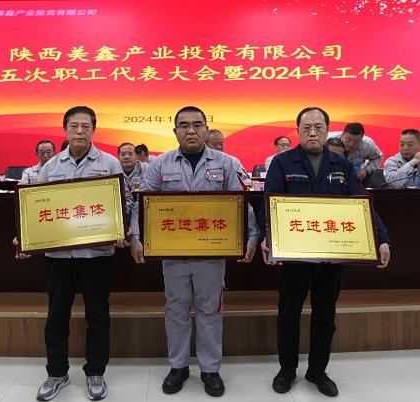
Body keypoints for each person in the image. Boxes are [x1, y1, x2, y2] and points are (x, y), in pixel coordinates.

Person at [129, 106, 260, 397]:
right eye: (184, 125)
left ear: (206, 129)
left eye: (197, 125)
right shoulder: (160, 165)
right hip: (173, 253)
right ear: (175, 131)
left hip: (211, 253)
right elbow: (142, 204)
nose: (191, 130)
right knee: (176, 309)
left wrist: (252, 236)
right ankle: (178, 366)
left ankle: (210, 369)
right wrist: (136, 237)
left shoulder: (226, 163)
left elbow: (241, 202)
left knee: (209, 310)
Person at [261, 107, 391, 398]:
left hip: (331, 255)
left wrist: (381, 238)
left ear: (328, 130)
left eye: (318, 127)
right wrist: (268, 236)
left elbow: (361, 203)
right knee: (288, 313)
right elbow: (268, 202)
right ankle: (287, 369)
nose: (312, 133)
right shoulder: (283, 162)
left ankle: (318, 371)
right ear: (298, 130)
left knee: (325, 314)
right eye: (306, 127)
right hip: (294, 255)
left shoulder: (341, 164)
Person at [16, 106, 132, 402]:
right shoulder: (51, 166)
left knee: (98, 316)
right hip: (60, 256)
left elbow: (126, 199)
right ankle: (57, 373)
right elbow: (37, 205)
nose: (80, 131)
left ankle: (95, 372)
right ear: (65, 130)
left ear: (94, 129)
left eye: (85, 126)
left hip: (97, 254)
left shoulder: (109, 163)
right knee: (56, 316)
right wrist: (26, 235)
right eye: (74, 126)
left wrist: (123, 226)